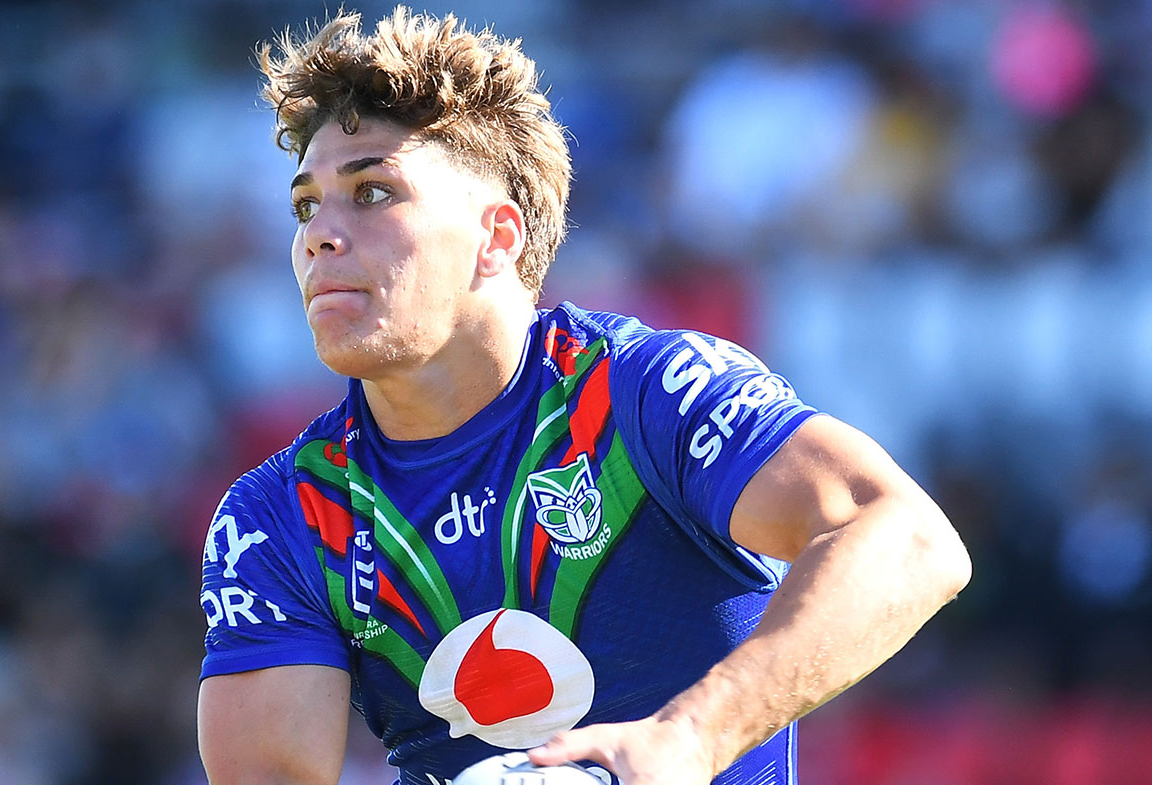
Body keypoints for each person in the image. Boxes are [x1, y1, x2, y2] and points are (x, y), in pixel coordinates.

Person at [196, 8, 971, 785]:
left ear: (497, 237)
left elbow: (908, 537)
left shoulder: (646, 392)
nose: (318, 236)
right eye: (305, 205)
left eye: (371, 192)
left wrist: (692, 737)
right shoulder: (279, 518)